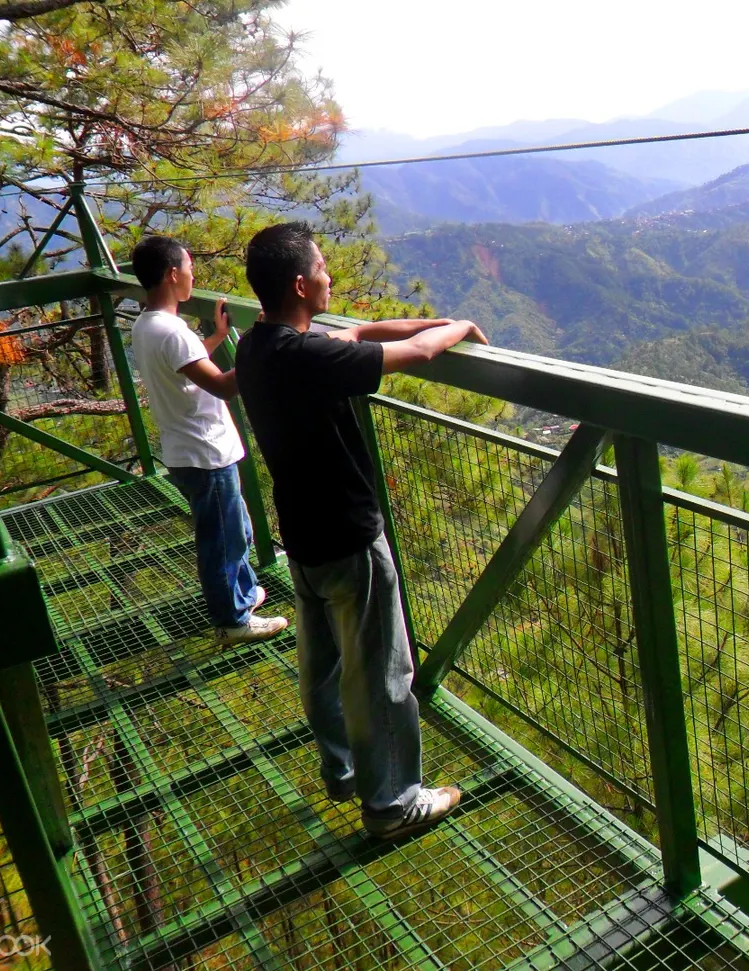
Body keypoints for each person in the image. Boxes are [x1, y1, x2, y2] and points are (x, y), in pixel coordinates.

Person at [235, 221, 488, 839]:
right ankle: (392, 804)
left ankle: (343, 770)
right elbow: (423, 354)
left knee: (322, 663)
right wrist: (459, 326)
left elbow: (358, 334)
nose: (330, 276)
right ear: (301, 283)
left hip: (302, 536)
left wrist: (417, 324)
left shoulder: (259, 346)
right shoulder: (311, 358)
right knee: (380, 673)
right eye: (322, 270)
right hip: (349, 538)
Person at [129, 236, 289, 645]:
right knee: (222, 540)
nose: (192, 275)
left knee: (234, 531)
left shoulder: (146, 325)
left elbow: (184, 365)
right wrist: (265, 347)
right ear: (172, 274)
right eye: (189, 268)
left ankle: (244, 594)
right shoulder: (172, 331)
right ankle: (233, 621)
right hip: (205, 453)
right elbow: (220, 387)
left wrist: (216, 339)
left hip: (185, 450)